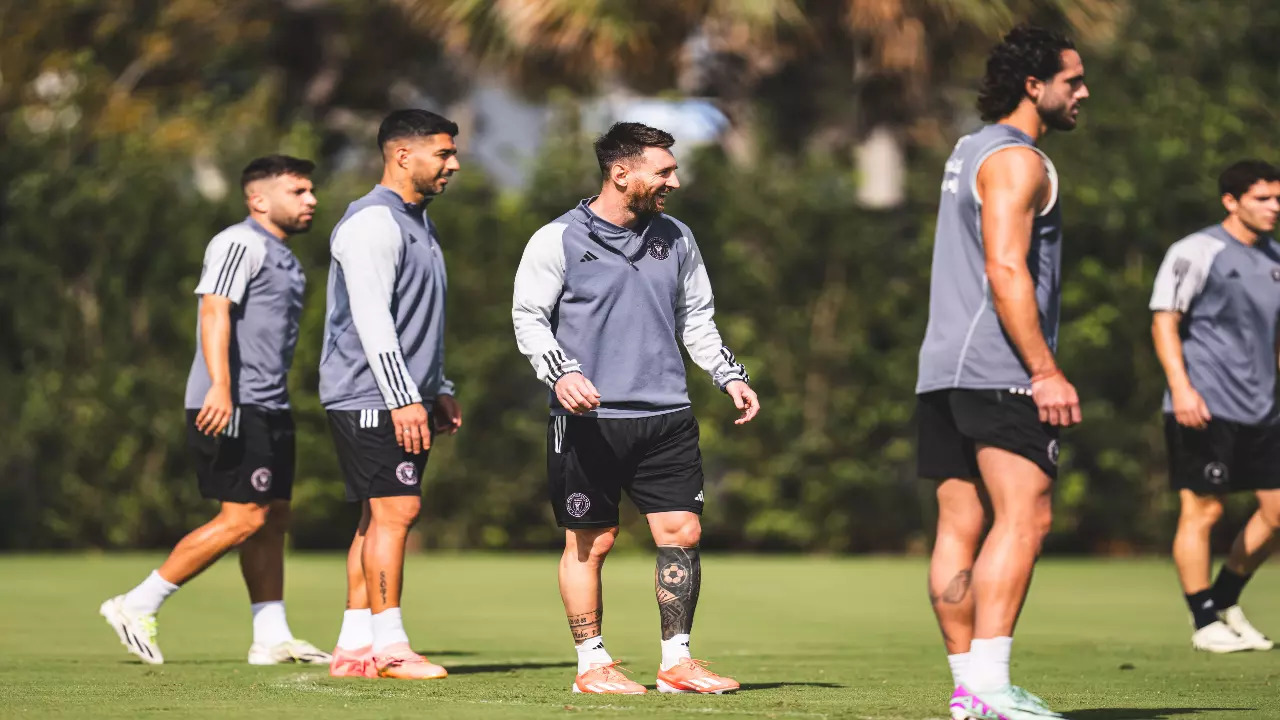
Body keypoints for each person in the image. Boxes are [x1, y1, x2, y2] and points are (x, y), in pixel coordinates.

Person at [512, 121, 759, 695]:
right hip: (588, 421)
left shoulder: (678, 237)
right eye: (664, 170)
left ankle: (677, 662)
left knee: (682, 531)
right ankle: (592, 666)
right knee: (591, 542)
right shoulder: (557, 239)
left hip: (667, 415)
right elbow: (528, 318)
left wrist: (729, 375)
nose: (675, 179)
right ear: (621, 173)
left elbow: (696, 319)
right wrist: (562, 372)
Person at [914, 24, 1089, 720]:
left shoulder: (967, 150)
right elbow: (1007, 268)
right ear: (1033, 85)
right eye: (1073, 81)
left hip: (942, 369)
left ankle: (968, 690)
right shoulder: (1019, 160)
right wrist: (1045, 370)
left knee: (960, 524)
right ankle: (989, 687)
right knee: (1026, 516)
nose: (1083, 92)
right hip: (1001, 368)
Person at [100, 155, 329, 666]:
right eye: (298, 191)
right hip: (232, 403)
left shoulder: (286, 256)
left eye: (311, 190)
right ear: (259, 199)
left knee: (272, 519)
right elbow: (213, 309)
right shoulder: (238, 242)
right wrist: (222, 387)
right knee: (244, 517)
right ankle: (136, 604)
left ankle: (270, 636)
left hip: (270, 404)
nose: (311, 199)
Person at [320, 109, 464, 680]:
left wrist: (439, 388)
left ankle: (355, 647)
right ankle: (390, 647)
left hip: (401, 392)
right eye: (443, 153)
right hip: (370, 394)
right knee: (397, 511)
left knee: (375, 517)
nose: (453, 163)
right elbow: (374, 321)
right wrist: (404, 398)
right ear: (403, 155)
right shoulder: (371, 224)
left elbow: (421, 321)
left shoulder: (417, 221)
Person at [1150, 159, 1280, 653]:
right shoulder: (1196, 251)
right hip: (1204, 403)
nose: (1274, 208)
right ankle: (1204, 621)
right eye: (1262, 198)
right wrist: (1182, 390)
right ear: (1231, 201)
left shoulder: (1275, 258)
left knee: (1278, 511)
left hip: (1262, 407)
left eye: (1278, 198)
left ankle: (1224, 599)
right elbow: (1164, 322)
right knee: (1202, 510)